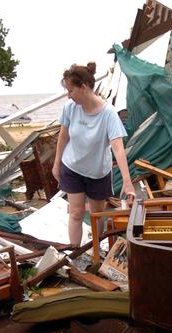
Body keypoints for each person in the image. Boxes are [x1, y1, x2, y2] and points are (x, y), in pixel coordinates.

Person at [52, 62, 135, 247]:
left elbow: (118, 148)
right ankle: (74, 251)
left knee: (97, 215)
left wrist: (128, 182)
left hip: (98, 173)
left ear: (83, 87)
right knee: (76, 212)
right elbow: (63, 135)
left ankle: (95, 251)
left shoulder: (109, 114)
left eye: (70, 90)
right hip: (72, 167)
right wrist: (57, 164)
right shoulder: (70, 108)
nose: (68, 95)